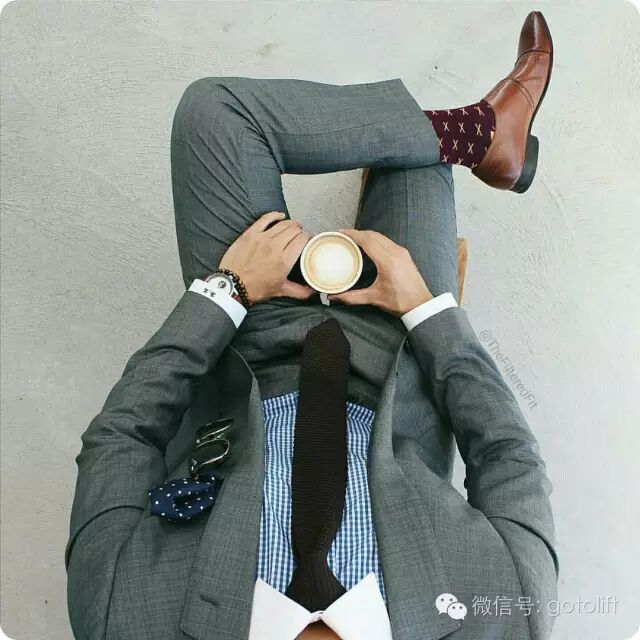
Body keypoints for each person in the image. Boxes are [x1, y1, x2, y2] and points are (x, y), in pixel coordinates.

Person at [65, 11, 558, 640]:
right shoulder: (510, 619)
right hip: (401, 348)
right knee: (413, 161)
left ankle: (482, 135)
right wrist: (425, 308)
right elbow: (508, 455)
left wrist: (226, 292)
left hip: (247, 338)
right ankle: (480, 137)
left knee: (214, 112)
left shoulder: (122, 622)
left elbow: (121, 439)